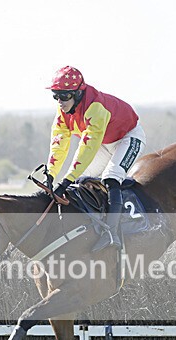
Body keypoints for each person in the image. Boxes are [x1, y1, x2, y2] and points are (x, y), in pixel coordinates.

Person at [45, 66, 145, 252]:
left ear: (78, 93)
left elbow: (87, 147)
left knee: (111, 177)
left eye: (64, 96)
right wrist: (51, 174)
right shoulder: (63, 112)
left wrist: (66, 180)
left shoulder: (95, 107)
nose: (60, 101)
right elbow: (59, 143)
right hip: (105, 143)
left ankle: (112, 234)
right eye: (55, 95)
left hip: (128, 137)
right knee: (80, 182)